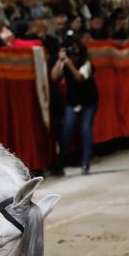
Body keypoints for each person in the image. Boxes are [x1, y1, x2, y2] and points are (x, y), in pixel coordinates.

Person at [52, 38, 99, 175]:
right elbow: (54, 77)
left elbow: (79, 77)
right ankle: (60, 163)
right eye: (69, 48)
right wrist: (60, 60)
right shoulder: (64, 61)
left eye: (75, 47)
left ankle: (86, 162)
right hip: (72, 101)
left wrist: (69, 64)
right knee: (67, 129)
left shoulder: (87, 63)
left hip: (89, 101)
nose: (73, 51)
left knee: (86, 129)